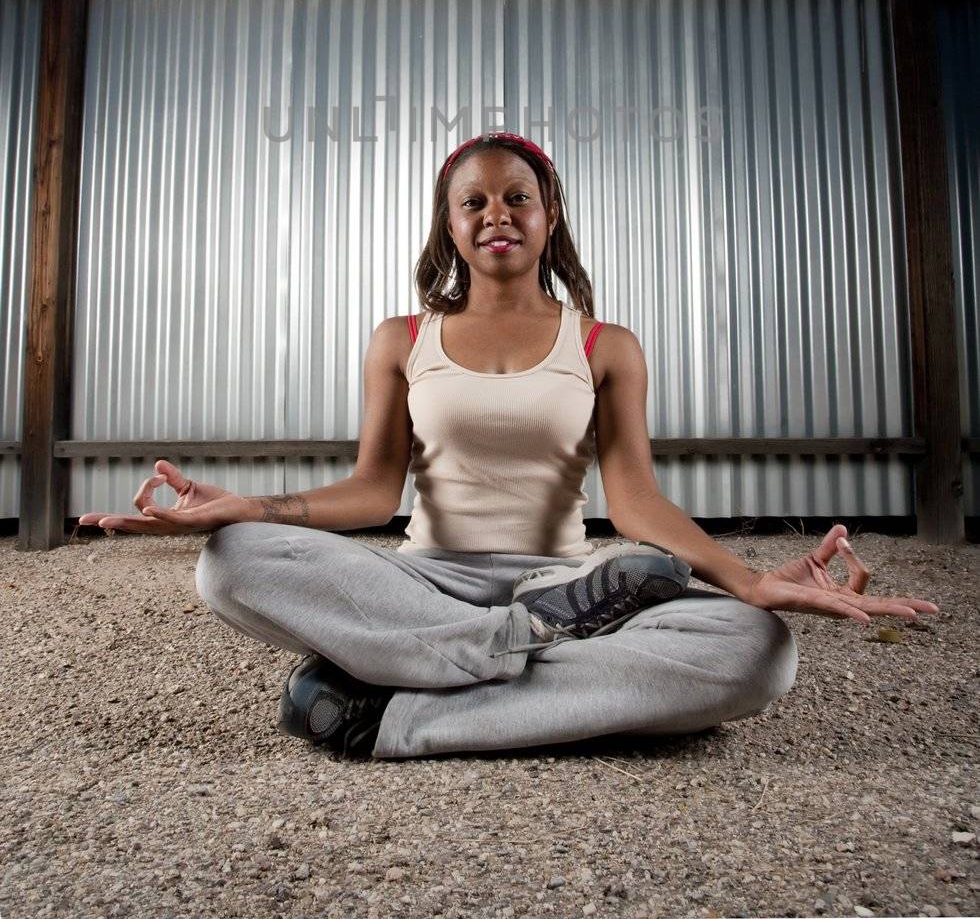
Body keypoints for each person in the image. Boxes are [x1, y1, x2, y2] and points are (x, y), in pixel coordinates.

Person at [80, 131, 940, 762]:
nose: (497, 213)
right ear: (450, 226)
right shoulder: (400, 339)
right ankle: (519, 649)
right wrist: (250, 509)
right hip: (424, 579)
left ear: (549, 213)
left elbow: (635, 504)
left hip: (569, 582)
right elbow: (374, 493)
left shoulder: (607, 345)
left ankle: (397, 712)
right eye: (475, 201)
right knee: (229, 564)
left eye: (517, 196)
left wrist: (750, 582)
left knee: (758, 653)